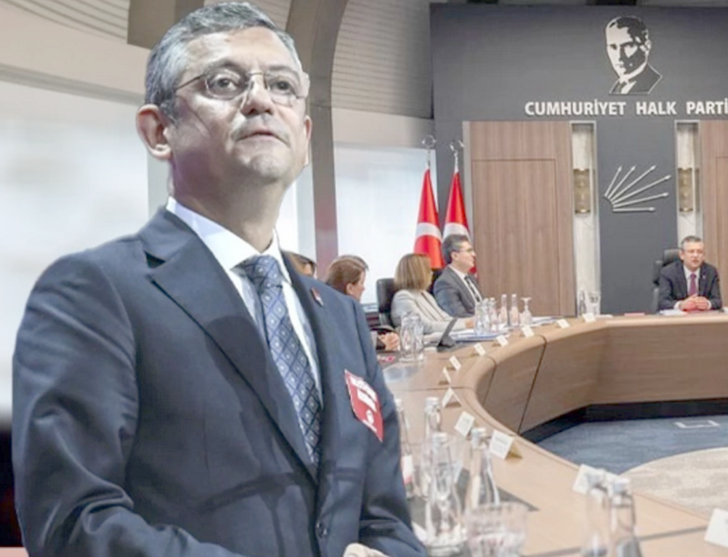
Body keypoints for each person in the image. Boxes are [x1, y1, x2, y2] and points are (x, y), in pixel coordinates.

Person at [11, 4, 423, 557]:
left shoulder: (342, 319)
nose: (261, 100)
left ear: (304, 138)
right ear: (159, 131)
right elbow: (72, 523)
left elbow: (387, 520)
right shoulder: (92, 294)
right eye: (224, 82)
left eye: (282, 85)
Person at [324, 255, 400, 351]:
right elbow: (351, 344)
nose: (363, 288)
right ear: (350, 288)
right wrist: (382, 345)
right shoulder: (337, 313)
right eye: (361, 283)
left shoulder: (335, 306)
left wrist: (379, 340)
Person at [392, 253, 471, 334]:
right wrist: (465, 325)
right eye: (428, 270)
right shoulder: (403, 297)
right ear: (418, 273)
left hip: (440, 336)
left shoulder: (425, 294)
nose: (431, 273)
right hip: (426, 340)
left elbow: (444, 318)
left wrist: (470, 321)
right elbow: (425, 327)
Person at [657, 235, 722, 311]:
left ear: (703, 256)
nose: (695, 255)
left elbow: (718, 301)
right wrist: (681, 305)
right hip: (678, 317)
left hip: (702, 316)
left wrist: (707, 304)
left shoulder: (710, 272)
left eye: (699, 252)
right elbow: (663, 302)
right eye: (691, 252)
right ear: (682, 255)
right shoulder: (668, 272)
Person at [606, 16, 662, 96]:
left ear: (646, 46)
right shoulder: (617, 87)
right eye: (613, 47)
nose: (619, 56)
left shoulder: (657, 84)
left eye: (628, 46)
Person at [434, 234, 483, 318]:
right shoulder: (445, 283)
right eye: (469, 251)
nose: (474, 254)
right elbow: (458, 316)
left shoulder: (470, 277)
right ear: (455, 256)